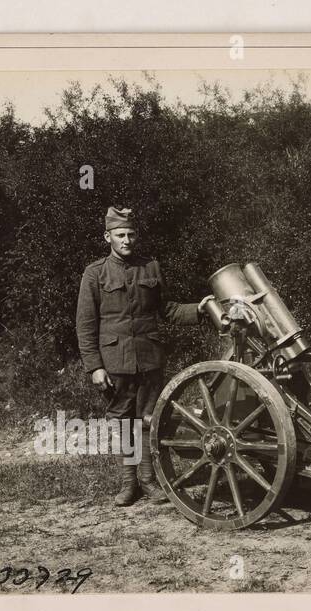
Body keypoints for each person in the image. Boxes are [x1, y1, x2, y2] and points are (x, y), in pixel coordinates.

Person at [76, 206, 200, 506]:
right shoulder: (95, 273)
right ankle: (128, 483)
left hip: (149, 358)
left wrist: (201, 308)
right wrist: (94, 366)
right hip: (115, 361)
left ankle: (148, 480)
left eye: (131, 234)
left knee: (148, 419)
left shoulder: (151, 268)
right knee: (122, 422)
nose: (127, 240)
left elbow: (168, 310)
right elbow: (85, 323)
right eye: (120, 235)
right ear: (108, 237)